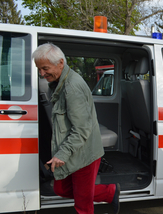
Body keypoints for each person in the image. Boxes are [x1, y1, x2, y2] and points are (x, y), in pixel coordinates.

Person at [33, 43, 120, 214]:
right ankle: (110, 192)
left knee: (83, 205)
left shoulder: (72, 88)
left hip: (84, 152)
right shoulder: (59, 83)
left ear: (60, 63)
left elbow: (81, 129)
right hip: (72, 149)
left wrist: (61, 154)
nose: (41, 74)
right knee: (60, 189)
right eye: (39, 69)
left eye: (45, 68)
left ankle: (104, 194)